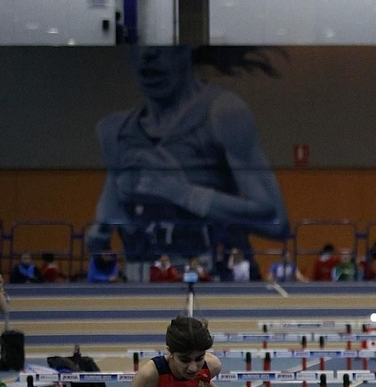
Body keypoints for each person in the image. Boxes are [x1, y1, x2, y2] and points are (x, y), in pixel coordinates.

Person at [86, 46, 289, 271]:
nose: (148, 54)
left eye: (161, 42)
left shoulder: (222, 112)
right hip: (146, 284)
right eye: (137, 43)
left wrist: (183, 193)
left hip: (218, 281)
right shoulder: (115, 131)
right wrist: (100, 236)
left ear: (187, 46)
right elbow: (106, 225)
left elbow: (277, 224)